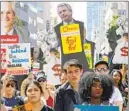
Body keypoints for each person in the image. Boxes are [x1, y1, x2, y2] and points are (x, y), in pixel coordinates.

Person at [54, 3, 89, 72]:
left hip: (80, 61)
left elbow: (85, 43)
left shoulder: (81, 25)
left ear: (70, 11)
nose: (62, 13)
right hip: (66, 62)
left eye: (64, 11)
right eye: (60, 12)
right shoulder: (56, 29)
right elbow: (56, 45)